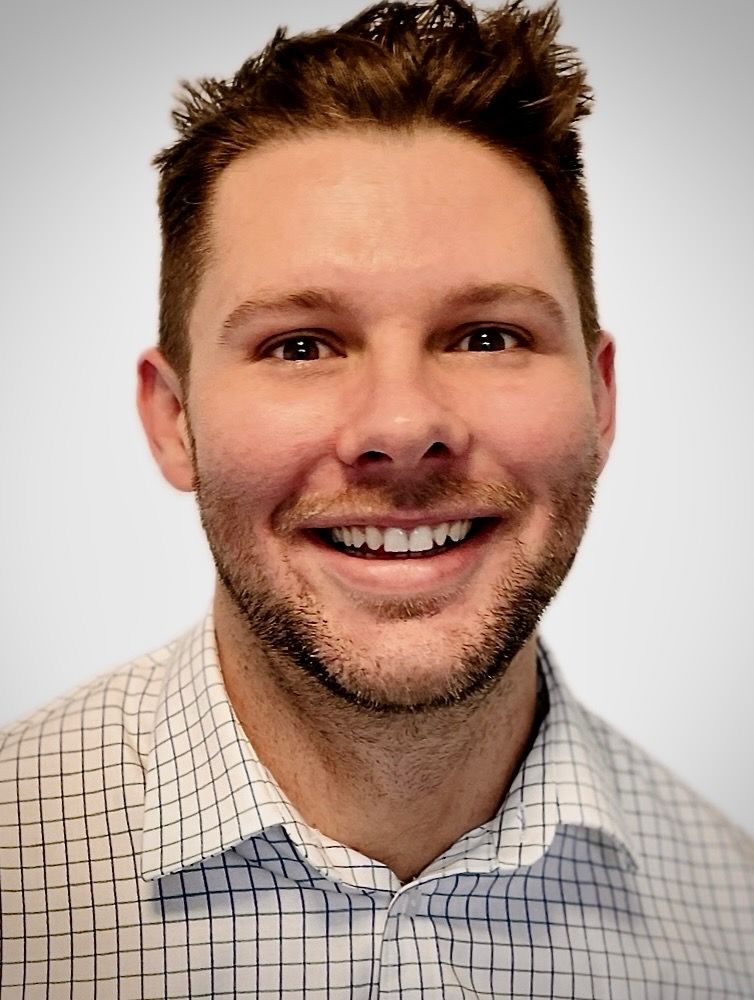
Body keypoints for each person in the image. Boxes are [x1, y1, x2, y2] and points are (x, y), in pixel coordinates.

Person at [0, 0, 751, 996]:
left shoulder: (733, 925)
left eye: (486, 334)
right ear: (172, 419)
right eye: (300, 345)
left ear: (600, 399)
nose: (400, 428)